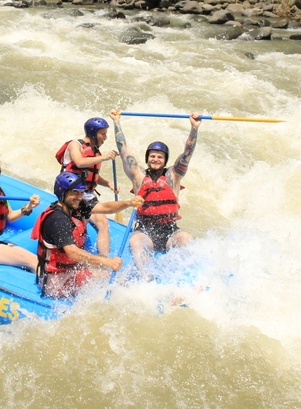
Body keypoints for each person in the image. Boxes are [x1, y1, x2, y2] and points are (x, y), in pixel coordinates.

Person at [109, 109, 201, 274]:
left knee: (187, 239)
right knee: (135, 241)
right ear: (147, 158)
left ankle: (186, 277)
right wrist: (116, 122)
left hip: (169, 231)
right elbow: (123, 150)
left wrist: (194, 128)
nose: (156, 159)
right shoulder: (138, 176)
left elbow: (188, 153)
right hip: (145, 231)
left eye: (160, 157)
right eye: (152, 156)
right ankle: (145, 277)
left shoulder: (174, 175)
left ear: (165, 160)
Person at [33, 172, 140, 298]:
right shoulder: (58, 220)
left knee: (114, 274)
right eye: (75, 193)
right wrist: (107, 262)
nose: (79, 197)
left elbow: (105, 207)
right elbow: (72, 252)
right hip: (56, 281)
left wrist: (129, 203)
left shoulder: (76, 206)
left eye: (81, 193)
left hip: (71, 268)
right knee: (111, 277)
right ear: (63, 192)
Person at [55, 117, 119, 256]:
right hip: (70, 192)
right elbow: (79, 162)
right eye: (103, 134)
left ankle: (104, 259)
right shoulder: (75, 144)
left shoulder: (95, 153)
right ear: (93, 133)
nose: (105, 137)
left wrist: (108, 184)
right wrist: (105, 157)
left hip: (87, 194)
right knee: (78, 224)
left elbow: (90, 175)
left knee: (102, 222)